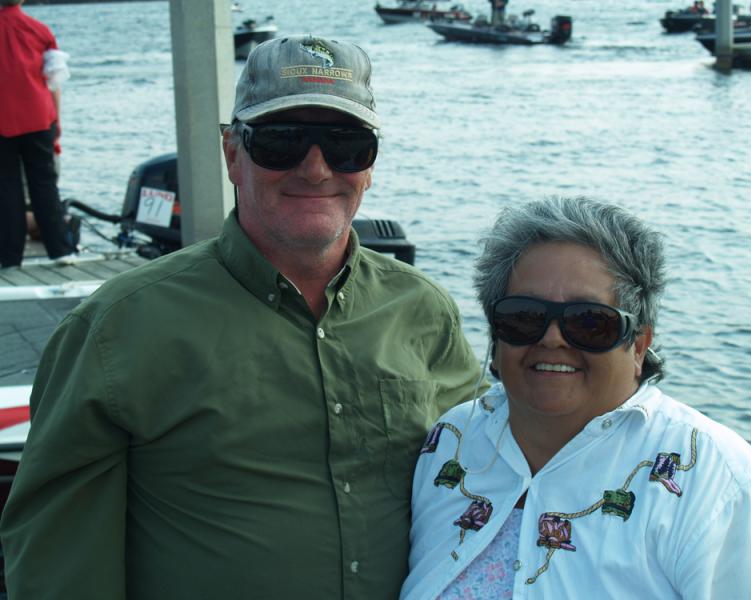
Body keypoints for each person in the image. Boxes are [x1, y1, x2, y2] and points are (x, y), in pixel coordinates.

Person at [0, 35, 485, 599]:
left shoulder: (423, 310)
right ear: (232, 153)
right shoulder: (115, 330)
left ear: (371, 164)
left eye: (347, 145)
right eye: (281, 141)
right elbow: (58, 562)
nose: (315, 168)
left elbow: (484, 476)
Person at [401, 197, 751, 599]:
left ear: (639, 345)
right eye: (524, 316)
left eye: (589, 321)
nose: (552, 339)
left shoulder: (723, 485)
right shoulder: (451, 441)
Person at [0, 0, 77, 268]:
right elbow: (54, 80)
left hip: (2, 119)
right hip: (38, 116)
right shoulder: (39, 30)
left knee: (6, 188)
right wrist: (57, 120)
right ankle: (61, 250)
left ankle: (10, 256)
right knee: (44, 184)